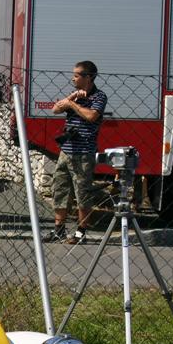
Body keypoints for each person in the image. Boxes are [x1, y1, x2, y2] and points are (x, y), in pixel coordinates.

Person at [44, 60, 107, 244]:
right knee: (60, 189)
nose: (73, 78)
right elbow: (55, 109)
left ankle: (81, 232)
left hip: (83, 153)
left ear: (88, 77)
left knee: (82, 192)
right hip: (66, 151)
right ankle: (59, 230)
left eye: (77, 75)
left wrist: (73, 106)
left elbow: (91, 116)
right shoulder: (75, 96)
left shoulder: (99, 97)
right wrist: (72, 98)